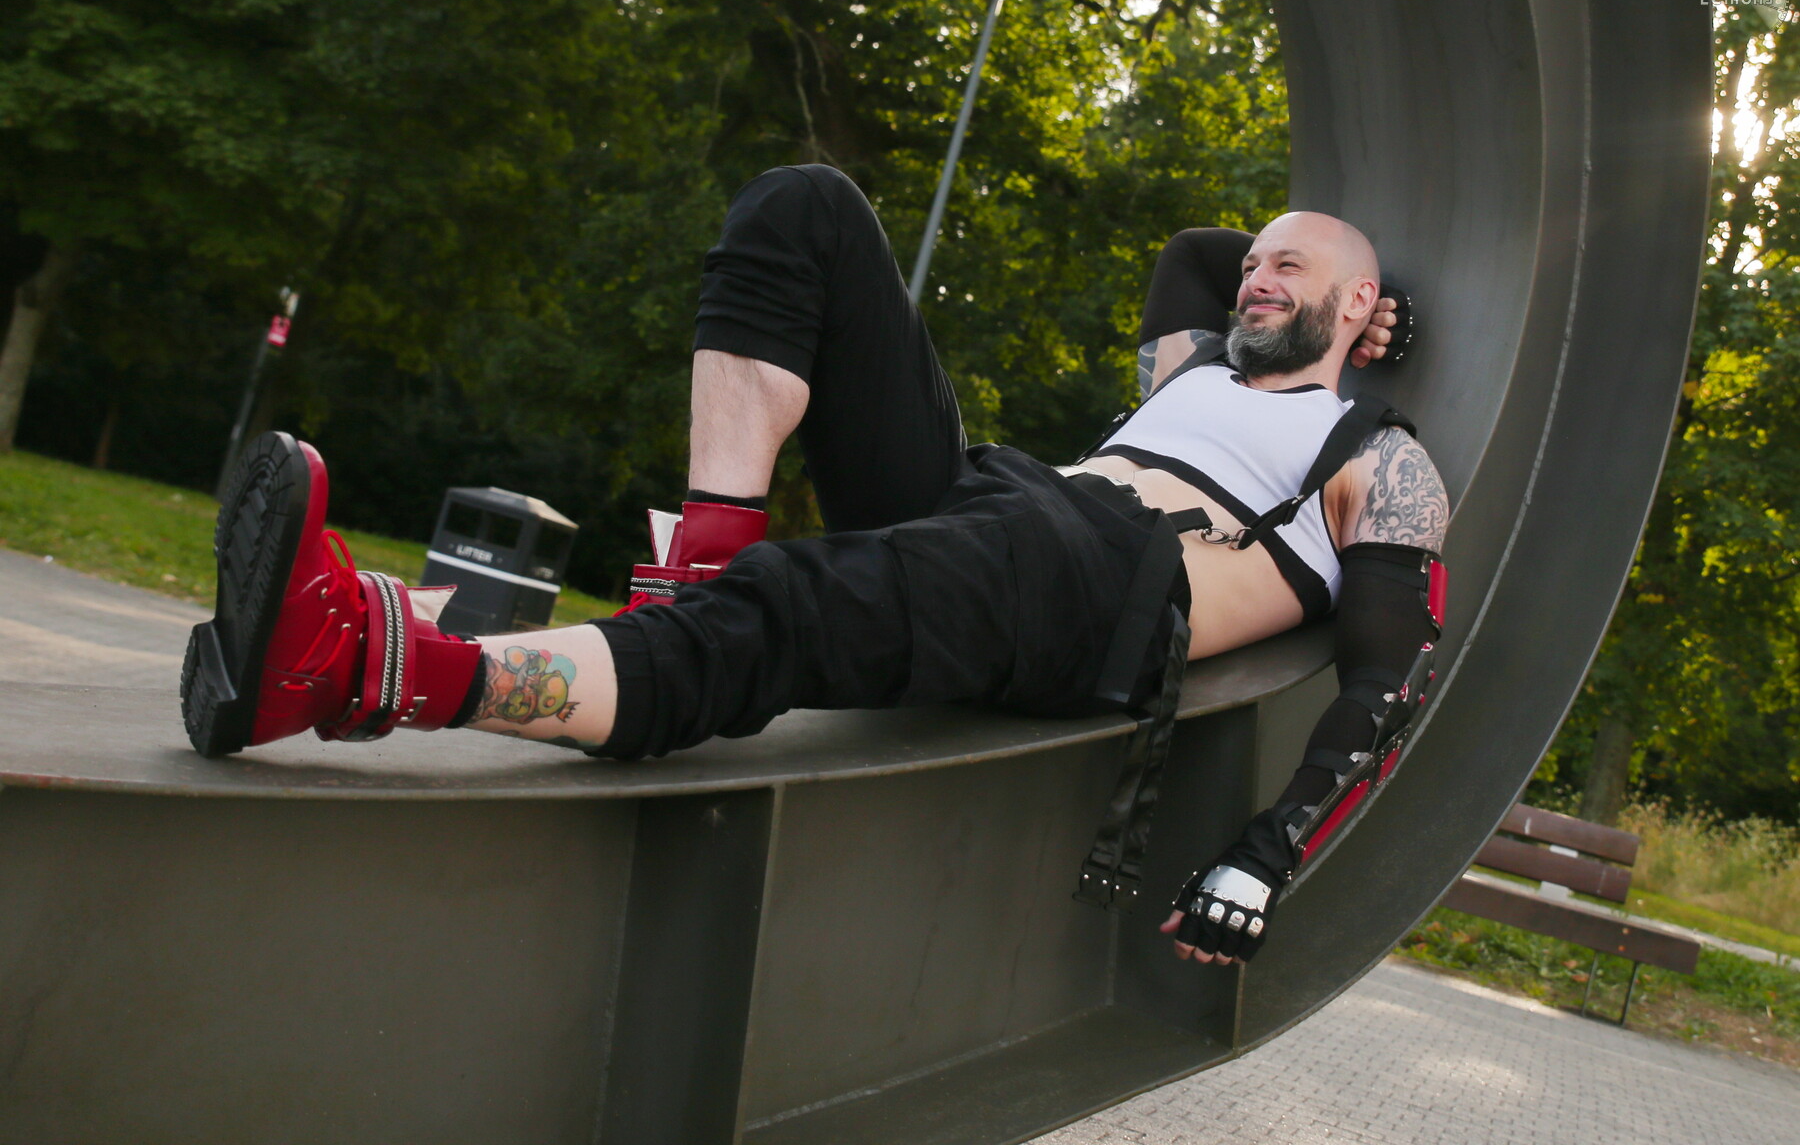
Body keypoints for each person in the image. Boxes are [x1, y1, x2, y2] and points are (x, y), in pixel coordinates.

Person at [181, 164, 1448, 968]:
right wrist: (1313, 271)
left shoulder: (1377, 458)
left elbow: (1390, 684)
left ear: (1355, 308)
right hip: (1008, 496)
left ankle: (358, 667)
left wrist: (1263, 859)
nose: (1253, 277)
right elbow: (1191, 253)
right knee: (809, 207)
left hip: (1105, 587)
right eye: (1257, 262)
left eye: (1289, 269)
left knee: (791, 605)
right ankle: (704, 555)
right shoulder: (1193, 368)